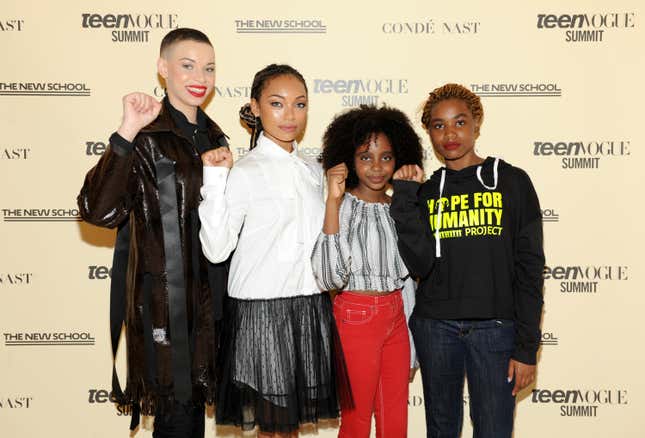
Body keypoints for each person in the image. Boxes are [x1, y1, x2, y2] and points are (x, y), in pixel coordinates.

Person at [77, 28, 229, 438]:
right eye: (187, 65)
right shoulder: (145, 136)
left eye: (209, 67)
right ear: (163, 69)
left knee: (191, 422)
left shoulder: (216, 137)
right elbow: (98, 211)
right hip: (166, 309)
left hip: (213, 306)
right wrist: (126, 131)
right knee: (177, 422)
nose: (200, 75)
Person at [198, 64, 351, 437]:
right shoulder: (244, 171)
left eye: (299, 105)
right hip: (261, 314)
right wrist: (215, 181)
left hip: (309, 307)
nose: (289, 115)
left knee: (291, 429)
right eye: (277, 103)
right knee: (274, 428)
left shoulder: (315, 170)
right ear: (256, 107)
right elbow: (217, 250)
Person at [390, 83, 545, 438]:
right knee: (441, 430)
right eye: (438, 125)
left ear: (476, 123)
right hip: (435, 328)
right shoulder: (426, 191)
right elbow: (420, 265)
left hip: (496, 330)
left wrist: (526, 348)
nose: (450, 134)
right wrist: (405, 200)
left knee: (493, 430)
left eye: (459, 122)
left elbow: (530, 269)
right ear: (429, 132)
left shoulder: (512, 182)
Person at [310, 104, 424, 438]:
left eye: (386, 158)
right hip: (355, 315)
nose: (376, 168)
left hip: (396, 315)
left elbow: (412, 274)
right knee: (357, 421)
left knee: (394, 421)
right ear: (348, 159)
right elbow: (329, 276)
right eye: (365, 157)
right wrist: (332, 201)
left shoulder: (399, 207)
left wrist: (409, 194)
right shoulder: (342, 206)